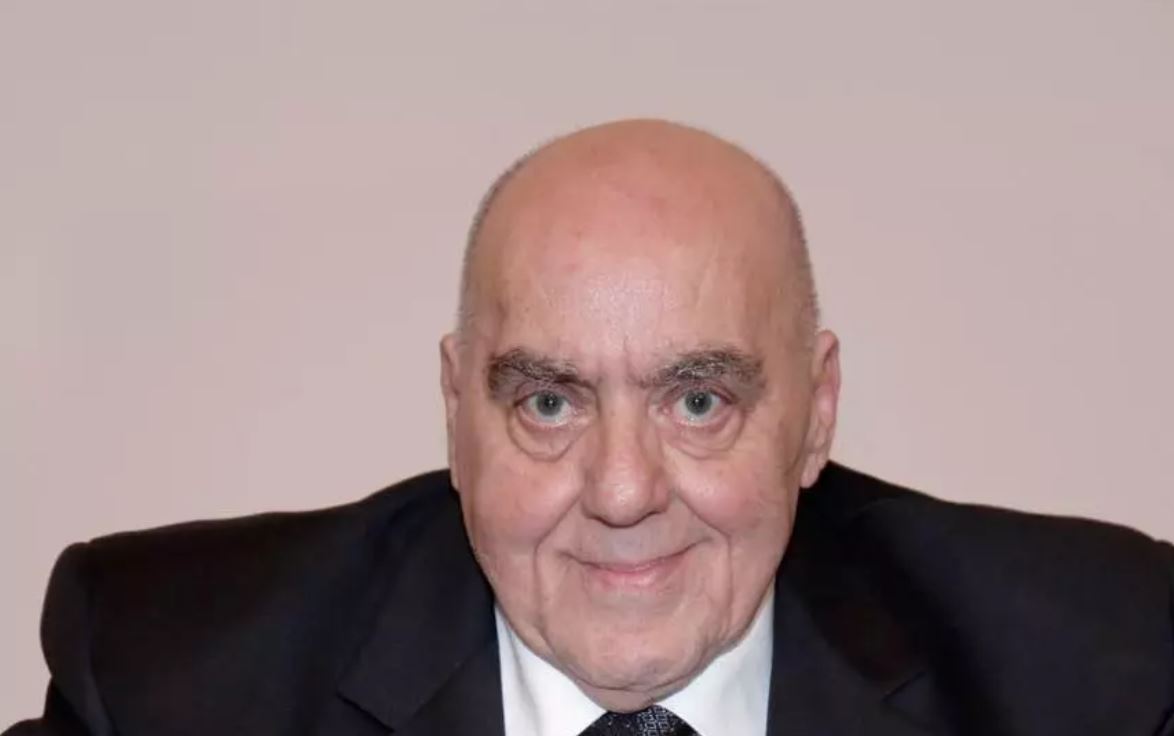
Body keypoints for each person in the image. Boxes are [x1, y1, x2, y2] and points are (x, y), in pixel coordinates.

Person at [6, 120, 1172, 736]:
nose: (621, 491)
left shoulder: (1100, 670)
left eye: (698, 401)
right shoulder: (174, 680)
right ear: (458, 411)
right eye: (549, 402)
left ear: (815, 411)